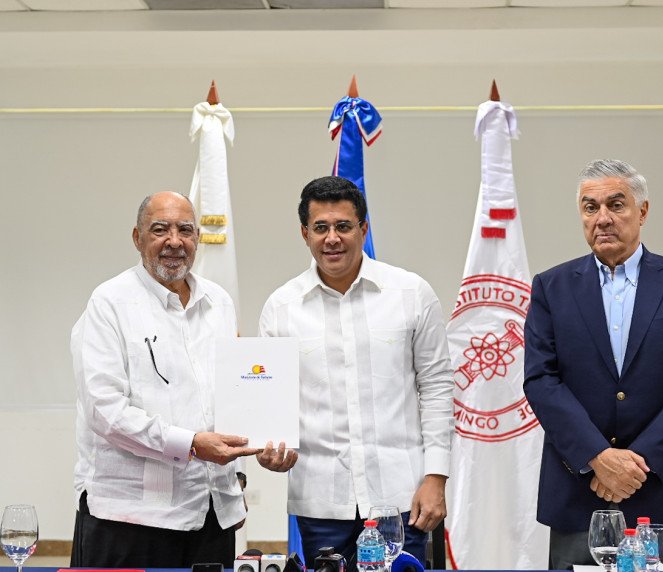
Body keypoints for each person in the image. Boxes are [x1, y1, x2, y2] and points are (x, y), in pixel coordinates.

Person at [70, 191, 296, 568]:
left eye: (185, 230)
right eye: (160, 229)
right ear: (137, 237)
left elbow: (233, 400)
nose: (174, 241)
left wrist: (236, 483)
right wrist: (191, 444)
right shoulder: (109, 303)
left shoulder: (219, 303)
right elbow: (105, 411)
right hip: (131, 518)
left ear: (198, 238)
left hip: (210, 516)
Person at [523, 159, 663, 570]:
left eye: (616, 204)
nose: (602, 218)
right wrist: (598, 456)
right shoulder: (551, 287)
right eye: (590, 207)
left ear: (642, 211)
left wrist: (638, 463)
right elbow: (541, 379)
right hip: (580, 486)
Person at [259, 176, 454, 568]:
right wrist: (267, 447)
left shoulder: (410, 293)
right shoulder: (281, 308)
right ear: (305, 233)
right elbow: (268, 400)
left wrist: (436, 476)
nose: (332, 238)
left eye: (343, 226)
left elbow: (437, 387)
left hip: (401, 499)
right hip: (320, 503)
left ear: (363, 228)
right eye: (320, 227)